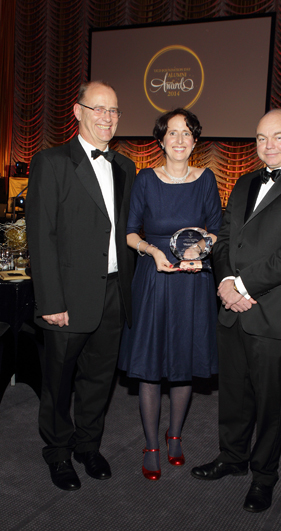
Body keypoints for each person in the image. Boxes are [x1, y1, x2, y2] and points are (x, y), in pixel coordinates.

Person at [191, 109, 281, 512]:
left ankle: (264, 477)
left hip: (273, 313)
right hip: (231, 307)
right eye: (260, 138)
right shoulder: (243, 182)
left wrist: (242, 285)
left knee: (271, 403)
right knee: (233, 395)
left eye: (277, 137)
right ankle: (232, 458)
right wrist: (223, 282)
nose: (268, 146)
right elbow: (222, 239)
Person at [26, 81, 136, 491]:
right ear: (77, 111)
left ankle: (88, 445)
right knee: (58, 381)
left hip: (112, 292)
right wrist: (50, 300)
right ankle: (56, 452)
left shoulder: (126, 167)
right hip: (67, 297)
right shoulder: (51, 162)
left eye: (114, 111)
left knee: (99, 379)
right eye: (99, 109)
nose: (108, 118)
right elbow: (41, 236)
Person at [118, 108, 222, 480]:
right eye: (172, 133)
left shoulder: (206, 179)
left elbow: (217, 231)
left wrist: (201, 247)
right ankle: (150, 444)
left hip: (193, 280)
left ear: (195, 141)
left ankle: (174, 436)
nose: (179, 140)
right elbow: (130, 233)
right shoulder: (145, 180)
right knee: (149, 365)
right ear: (160, 139)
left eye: (187, 133)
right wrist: (153, 250)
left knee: (184, 362)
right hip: (155, 277)